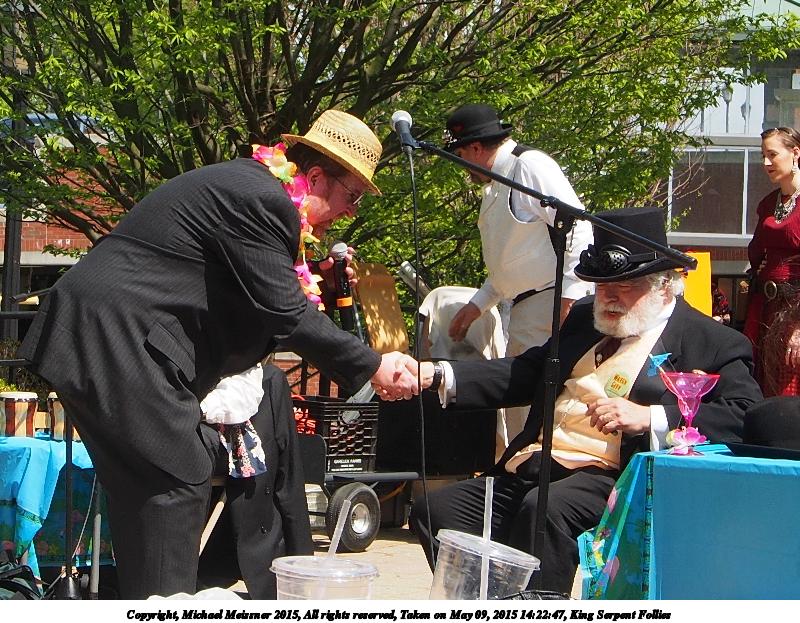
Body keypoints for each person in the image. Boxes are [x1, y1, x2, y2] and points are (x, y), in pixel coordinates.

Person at [17, 109, 417, 599]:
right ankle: (162, 605)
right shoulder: (263, 200)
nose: (352, 211)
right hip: (113, 340)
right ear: (314, 177)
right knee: (173, 478)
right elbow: (284, 312)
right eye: (352, 196)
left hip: (118, 344)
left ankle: (148, 599)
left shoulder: (256, 193)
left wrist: (322, 285)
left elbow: (248, 294)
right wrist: (373, 365)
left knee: (163, 482)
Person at [408, 207, 763, 595]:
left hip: (612, 477)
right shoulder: (583, 318)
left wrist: (651, 417)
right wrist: (439, 374)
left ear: (664, 286)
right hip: (534, 463)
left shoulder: (711, 342)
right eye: (602, 286)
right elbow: (528, 371)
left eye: (624, 286)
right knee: (435, 511)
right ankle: (490, 603)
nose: (609, 298)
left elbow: (743, 416)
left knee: (544, 510)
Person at [442, 103, 594, 439]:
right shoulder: (499, 181)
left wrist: (569, 298)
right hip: (529, 307)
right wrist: (477, 305)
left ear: (476, 148)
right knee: (522, 413)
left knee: (534, 415)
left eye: (461, 154)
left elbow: (577, 227)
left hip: (548, 304)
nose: (462, 166)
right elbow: (514, 260)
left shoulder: (528, 165)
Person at [197, 362, 313, 599]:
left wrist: (303, 565)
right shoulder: (178, 380)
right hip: (196, 552)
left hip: (259, 551)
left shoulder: (267, 380)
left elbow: (289, 476)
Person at [744, 126, 800, 396]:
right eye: (762, 156)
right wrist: (764, 268)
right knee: (761, 383)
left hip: (795, 310)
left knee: (790, 381)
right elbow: (756, 252)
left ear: (795, 153)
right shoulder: (768, 203)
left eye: (772, 154)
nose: (766, 162)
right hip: (765, 306)